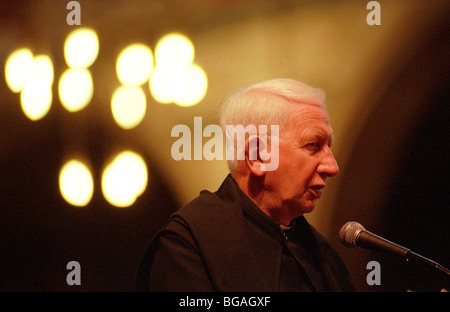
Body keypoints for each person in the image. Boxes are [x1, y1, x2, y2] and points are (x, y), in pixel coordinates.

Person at [136, 78, 355, 292]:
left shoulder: (323, 256)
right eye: (313, 145)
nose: (332, 167)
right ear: (258, 156)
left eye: (329, 146)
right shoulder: (187, 246)